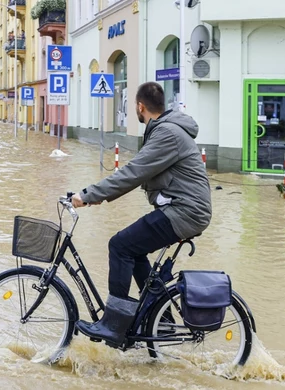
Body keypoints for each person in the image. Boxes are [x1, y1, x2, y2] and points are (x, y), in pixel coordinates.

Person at [71, 81, 212, 347]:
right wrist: (98, 197)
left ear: (139, 106)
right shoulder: (167, 129)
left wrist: (88, 195)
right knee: (133, 251)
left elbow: (133, 172)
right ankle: (164, 323)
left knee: (120, 245)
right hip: (183, 209)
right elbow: (139, 173)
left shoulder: (167, 134)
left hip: (185, 212)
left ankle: (113, 324)